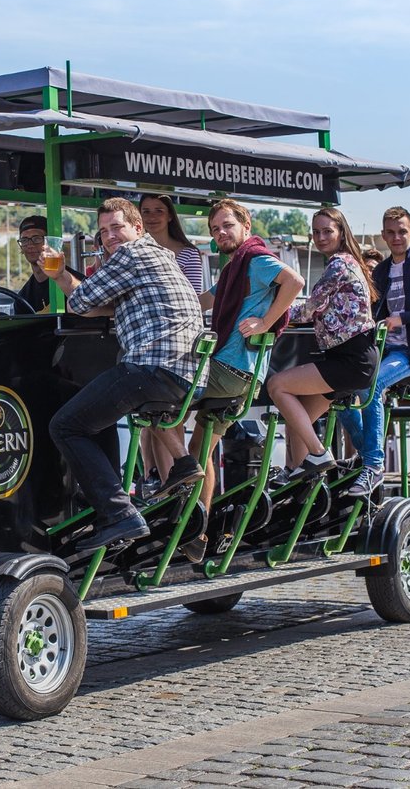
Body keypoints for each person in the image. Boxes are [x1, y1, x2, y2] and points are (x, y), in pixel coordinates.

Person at [47, 198, 207, 550]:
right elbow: (100, 306)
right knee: (108, 409)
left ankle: (118, 514)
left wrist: (58, 274)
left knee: (66, 426)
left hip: (153, 366)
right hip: (186, 374)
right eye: (103, 231)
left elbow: (81, 303)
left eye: (116, 227)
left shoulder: (130, 255)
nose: (109, 236)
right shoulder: (163, 256)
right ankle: (181, 463)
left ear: (138, 228)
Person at [174, 200, 304, 562]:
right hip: (238, 376)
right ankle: (197, 531)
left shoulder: (255, 260)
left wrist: (265, 323)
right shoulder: (234, 268)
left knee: (154, 392)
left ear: (245, 225)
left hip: (232, 370)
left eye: (227, 225)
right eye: (215, 229)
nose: (221, 234)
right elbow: (205, 300)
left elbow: (295, 281)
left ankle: (171, 490)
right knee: (202, 445)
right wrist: (174, 306)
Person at [338, 206, 410, 496]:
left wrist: (402, 318)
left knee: (373, 384)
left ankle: (373, 465)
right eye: (390, 232)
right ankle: (368, 455)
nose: (397, 237)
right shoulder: (380, 270)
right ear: (383, 236)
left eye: (402, 231)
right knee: (338, 393)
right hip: (384, 349)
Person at [267, 208, 379, 479]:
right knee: (298, 418)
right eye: (316, 232)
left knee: (276, 385)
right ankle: (298, 477)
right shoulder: (349, 262)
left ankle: (318, 454)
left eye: (327, 231)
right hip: (350, 359)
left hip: (351, 360)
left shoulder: (340, 264)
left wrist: (267, 316)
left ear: (341, 233)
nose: (321, 237)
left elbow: (309, 309)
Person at [138, 195, 205, 487]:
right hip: (145, 344)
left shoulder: (186, 254)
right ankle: (154, 479)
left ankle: (169, 487)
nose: (152, 216)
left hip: (180, 348)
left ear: (169, 216)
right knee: (149, 419)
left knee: (165, 417)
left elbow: (195, 301)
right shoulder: (134, 252)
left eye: (158, 211)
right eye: (146, 211)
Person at [14, 214, 85, 313]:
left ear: (50, 243)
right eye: (24, 240)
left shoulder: (80, 286)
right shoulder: (22, 298)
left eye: (37, 238)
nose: (30, 245)